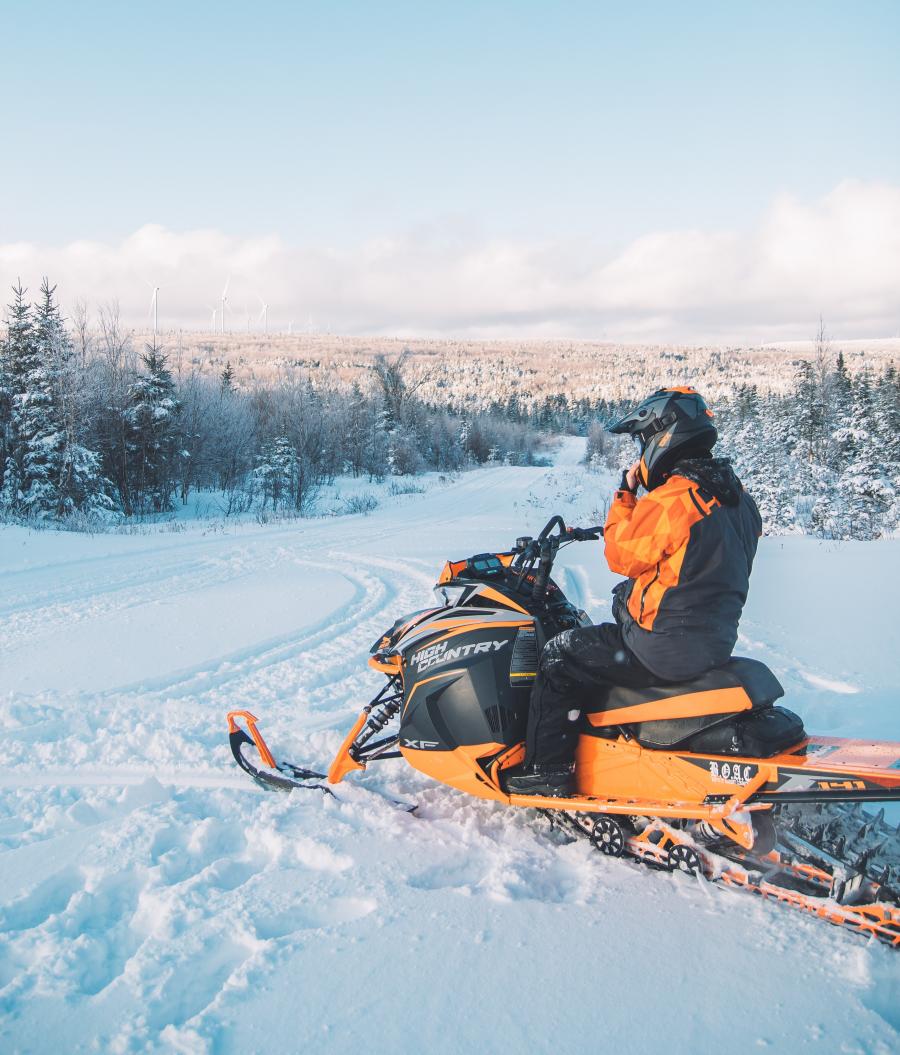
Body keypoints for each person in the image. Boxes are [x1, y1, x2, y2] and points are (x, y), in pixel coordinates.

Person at [505, 387, 762, 797]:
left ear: (663, 435)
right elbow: (693, 566)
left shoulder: (674, 499)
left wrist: (625, 494)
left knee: (560, 653)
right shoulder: (737, 499)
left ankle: (545, 771)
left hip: (664, 648)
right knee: (620, 606)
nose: (641, 454)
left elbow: (620, 554)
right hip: (713, 641)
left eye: (642, 441)